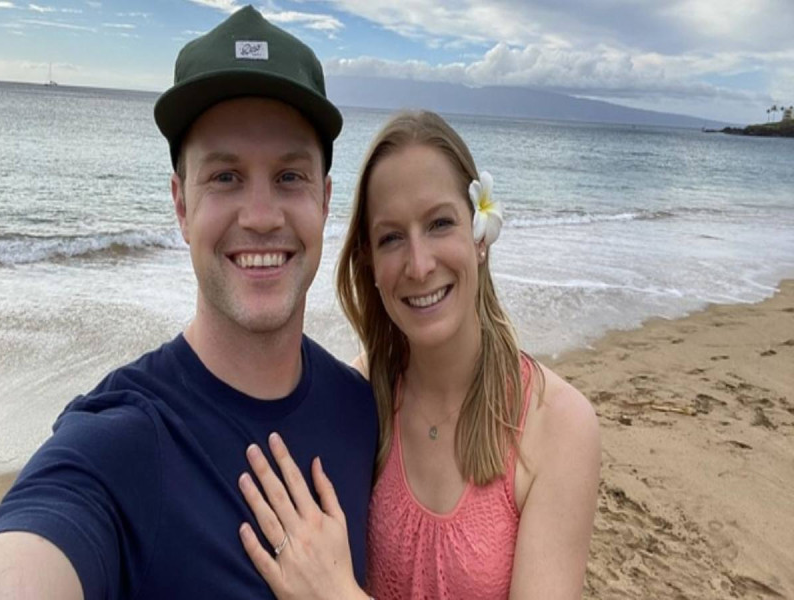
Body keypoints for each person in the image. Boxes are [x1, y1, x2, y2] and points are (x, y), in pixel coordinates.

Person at [0, 6, 377, 599]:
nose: (261, 216)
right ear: (180, 205)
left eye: (289, 176)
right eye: (225, 177)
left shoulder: (362, 412)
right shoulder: (122, 443)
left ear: (325, 200)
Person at [236, 110, 601, 599]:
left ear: (479, 236)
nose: (419, 264)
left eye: (440, 224)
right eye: (391, 238)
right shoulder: (358, 401)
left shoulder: (557, 424)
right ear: (369, 263)